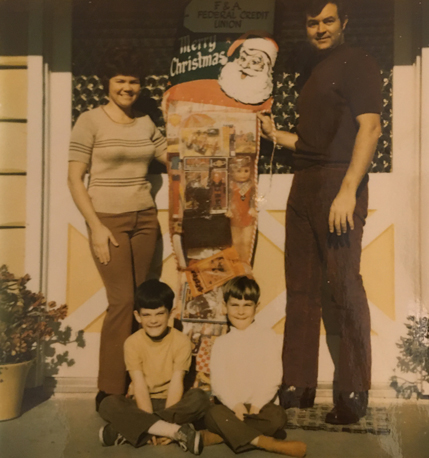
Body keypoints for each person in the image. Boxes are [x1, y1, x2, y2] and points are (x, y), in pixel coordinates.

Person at [258, 0, 382, 425]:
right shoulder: (311, 70)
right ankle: (298, 386)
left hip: (337, 184)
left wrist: (348, 191)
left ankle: (352, 391)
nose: (320, 29)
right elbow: (313, 142)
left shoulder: (359, 63)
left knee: (344, 286)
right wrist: (277, 135)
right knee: (302, 287)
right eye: (313, 23)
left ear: (344, 21)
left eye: (328, 21)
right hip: (304, 183)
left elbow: (371, 128)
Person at [67, 47, 167, 408]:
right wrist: (94, 226)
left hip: (145, 220)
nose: (127, 87)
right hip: (108, 221)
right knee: (122, 302)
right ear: (106, 84)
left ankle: (143, 383)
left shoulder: (144, 122)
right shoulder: (90, 120)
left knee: (145, 303)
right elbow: (75, 179)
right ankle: (110, 389)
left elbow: (170, 156)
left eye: (134, 81)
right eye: (120, 80)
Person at [98, 279, 211, 454]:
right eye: (147, 315)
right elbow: (139, 384)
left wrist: (155, 423)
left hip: (174, 405)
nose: (153, 321)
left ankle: (128, 431)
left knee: (200, 398)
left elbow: (176, 383)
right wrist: (166, 427)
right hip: (143, 404)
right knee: (107, 403)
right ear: (137, 316)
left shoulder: (181, 341)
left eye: (159, 314)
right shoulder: (132, 343)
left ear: (170, 313)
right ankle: (175, 432)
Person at [204, 276, 307, 457]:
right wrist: (235, 405)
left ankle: (221, 436)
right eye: (235, 305)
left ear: (256, 307)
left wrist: (257, 405)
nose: (241, 311)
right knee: (213, 414)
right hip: (231, 408)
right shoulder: (221, 343)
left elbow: (273, 376)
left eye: (247, 305)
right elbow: (218, 383)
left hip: (260, 408)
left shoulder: (267, 336)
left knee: (278, 416)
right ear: (225, 306)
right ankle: (268, 443)